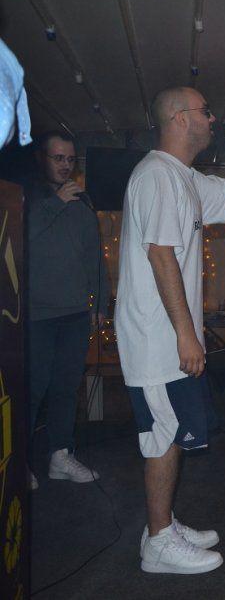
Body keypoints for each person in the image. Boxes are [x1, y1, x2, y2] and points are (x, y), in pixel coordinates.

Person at [115, 86, 225, 574]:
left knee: (173, 432)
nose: (213, 119)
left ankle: (162, 523)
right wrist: (184, 333)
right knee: (162, 435)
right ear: (179, 118)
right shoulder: (157, 175)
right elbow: (161, 256)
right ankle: (157, 542)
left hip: (169, 335)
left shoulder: (184, 177)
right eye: (205, 111)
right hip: (157, 338)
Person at [25, 131, 109, 489]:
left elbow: (95, 257)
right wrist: (56, 203)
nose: (65, 165)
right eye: (58, 158)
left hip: (75, 314)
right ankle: (18, 463)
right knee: (33, 389)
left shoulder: (81, 202)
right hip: (36, 315)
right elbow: (18, 237)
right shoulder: (26, 198)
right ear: (42, 159)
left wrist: (100, 302)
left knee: (66, 387)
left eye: (70, 159)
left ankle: (60, 456)